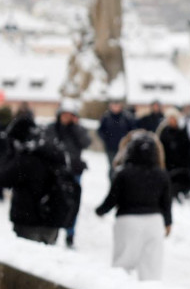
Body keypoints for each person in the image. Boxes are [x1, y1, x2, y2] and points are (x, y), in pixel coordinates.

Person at [95, 133, 172, 280]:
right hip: (154, 222)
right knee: (151, 270)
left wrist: (100, 211)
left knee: (122, 266)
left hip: (127, 220)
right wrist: (168, 222)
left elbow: (112, 198)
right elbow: (166, 202)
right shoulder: (161, 174)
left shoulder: (123, 173)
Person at [0, 115, 69, 245]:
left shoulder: (25, 160)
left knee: (27, 261)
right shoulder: (52, 154)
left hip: (28, 220)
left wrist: (9, 155)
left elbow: (3, 177)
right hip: (52, 219)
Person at [44, 99, 91, 248]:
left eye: (69, 115)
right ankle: (54, 228)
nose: (66, 118)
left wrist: (75, 127)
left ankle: (70, 233)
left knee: (72, 203)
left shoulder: (77, 129)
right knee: (55, 201)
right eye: (64, 115)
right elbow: (47, 144)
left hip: (74, 171)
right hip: (55, 171)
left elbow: (86, 142)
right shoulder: (52, 128)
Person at [156, 108, 190, 200]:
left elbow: (187, 145)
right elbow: (160, 145)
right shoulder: (164, 131)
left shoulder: (182, 130)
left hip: (180, 161)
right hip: (168, 160)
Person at [97, 99, 135, 174]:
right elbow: (100, 130)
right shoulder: (106, 117)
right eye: (114, 105)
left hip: (123, 148)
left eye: (117, 105)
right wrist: (106, 139)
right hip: (110, 147)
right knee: (112, 167)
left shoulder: (126, 117)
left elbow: (132, 130)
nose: (115, 107)